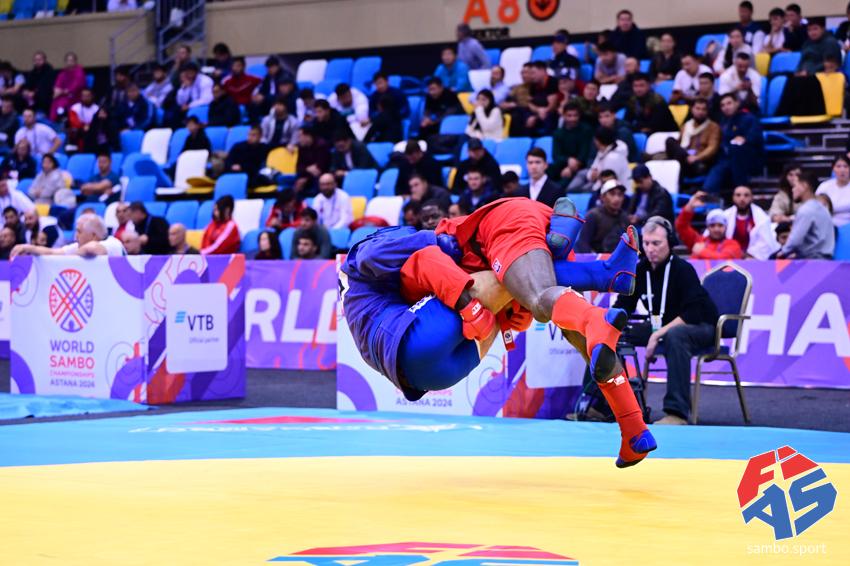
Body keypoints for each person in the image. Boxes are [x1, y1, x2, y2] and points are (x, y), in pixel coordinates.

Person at [614, 216, 719, 425]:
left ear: (670, 243)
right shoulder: (640, 269)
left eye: (656, 243)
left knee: (675, 335)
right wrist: (606, 321)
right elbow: (624, 305)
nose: (650, 249)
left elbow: (693, 313)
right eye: (646, 243)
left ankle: (677, 413)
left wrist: (657, 335)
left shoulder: (683, 269)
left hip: (700, 327)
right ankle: (604, 406)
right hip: (661, 325)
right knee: (612, 333)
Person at [704, 94, 762, 194]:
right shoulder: (721, 121)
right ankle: (706, 195)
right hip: (725, 157)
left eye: (729, 103)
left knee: (735, 151)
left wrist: (745, 139)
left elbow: (756, 137)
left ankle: (741, 190)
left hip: (747, 156)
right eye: (722, 105)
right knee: (716, 169)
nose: (726, 107)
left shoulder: (749, 118)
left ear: (737, 103)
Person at [11, 212, 125, 258]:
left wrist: (71, 255)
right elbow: (53, 252)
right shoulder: (80, 246)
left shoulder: (112, 243)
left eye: (79, 231)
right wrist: (28, 248)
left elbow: (93, 248)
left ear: (94, 236)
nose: (75, 236)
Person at [776, 171, 834, 259]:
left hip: (811, 261)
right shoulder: (822, 208)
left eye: (794, 186)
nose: (792, 190)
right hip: (826, 260)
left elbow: (796, 239)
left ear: (804, 186)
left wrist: (783, 252)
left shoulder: (806, 210)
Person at [660, 98, 720, 177]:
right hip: (684, 161)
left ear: (707, 111)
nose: (700, 112)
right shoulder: (686, 125)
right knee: (670, 141)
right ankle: (687, 158)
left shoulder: (713, 127)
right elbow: (679, 146)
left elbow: (712, 148)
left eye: (703, 109)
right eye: (698, 108)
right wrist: (688, 157)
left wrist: (697, 158)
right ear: (692, 109)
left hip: (700, 162)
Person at [675, 194, 744, 259]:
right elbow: (681, 226)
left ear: (726, 227)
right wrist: (690, 206)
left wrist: (701, 252)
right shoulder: (699, 241)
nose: (716, 229)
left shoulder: (733, 245)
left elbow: (723, 259)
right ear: (707, 227)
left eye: (720, 225)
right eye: (712, 225)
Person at [721, 185, 777, 259]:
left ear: (752, 198)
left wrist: (749, 254)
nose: (742, 198)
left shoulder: (762, 217)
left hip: (753, 258)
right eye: (738, 195)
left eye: (746, 195)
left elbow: (766, 242)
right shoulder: (725, 215)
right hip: (729, 256)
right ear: (733, 198)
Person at [569, 128, 631, 192]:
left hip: (615, 190)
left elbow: (607, 182)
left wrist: (594, 184)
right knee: (581, 174)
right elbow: (593, 169)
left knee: (582, 190)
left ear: (598, 141)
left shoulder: (614, 158)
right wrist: (592, 175)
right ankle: (569, 191)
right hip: (596, 180)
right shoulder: (602, 151)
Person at [576, 180, 629, 253]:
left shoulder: (624, 217)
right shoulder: (593, 215)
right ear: (602, 197)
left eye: (620, 195)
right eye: (612, 194)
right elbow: (583, 243)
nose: (617, 199)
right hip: (595, 257)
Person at [550, 102, 593, 184]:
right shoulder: (558, 133)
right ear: (564, 116)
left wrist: (570, 168)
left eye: (575, 115)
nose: (573, 119)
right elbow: (556, 155)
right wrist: (568, 160)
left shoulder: (586, 130)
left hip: (581, 166)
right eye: (569, 116)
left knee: (563, 182)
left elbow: (584, 154)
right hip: (562, 165)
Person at [293, 126, 331, 197]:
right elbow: (298, 166)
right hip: (306, 175)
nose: (298, 139)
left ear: (308, 136)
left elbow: (320, 168)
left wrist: (306, 177)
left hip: (321, 176)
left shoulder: (321, 145)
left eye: (300, 136)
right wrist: (307, 169)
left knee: (317, 180)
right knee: (289, 180)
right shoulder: (302, 147)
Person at [49, 52, 85, 122]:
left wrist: (63, 91)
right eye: (68, 61)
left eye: (71, 60)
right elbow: (58, 85)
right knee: (55, 101)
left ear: (75, 61)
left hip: (75, 96)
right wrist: (57, 90)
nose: (69, 63)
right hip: (62, 95)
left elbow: (77, 86)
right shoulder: (62, 73)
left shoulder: (79, 72)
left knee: (63, 102)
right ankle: (54, 122)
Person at [816, 155, 850, 227]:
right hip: (829, 225)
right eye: (838, 166)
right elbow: (816, 207)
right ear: (833, 169)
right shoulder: (824, 187)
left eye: (845, 166)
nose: (842, 170)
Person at [22, 51, 55, 115]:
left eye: (39, 60)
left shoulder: (49, 71)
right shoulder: (33, 72)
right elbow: (28, 83)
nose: (37, 62)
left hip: (45, 93)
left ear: (44, 60)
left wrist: (34, 92)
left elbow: (46, 85)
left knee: (42, 96)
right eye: (35, 60)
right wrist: (26, 91)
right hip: (32, 94)